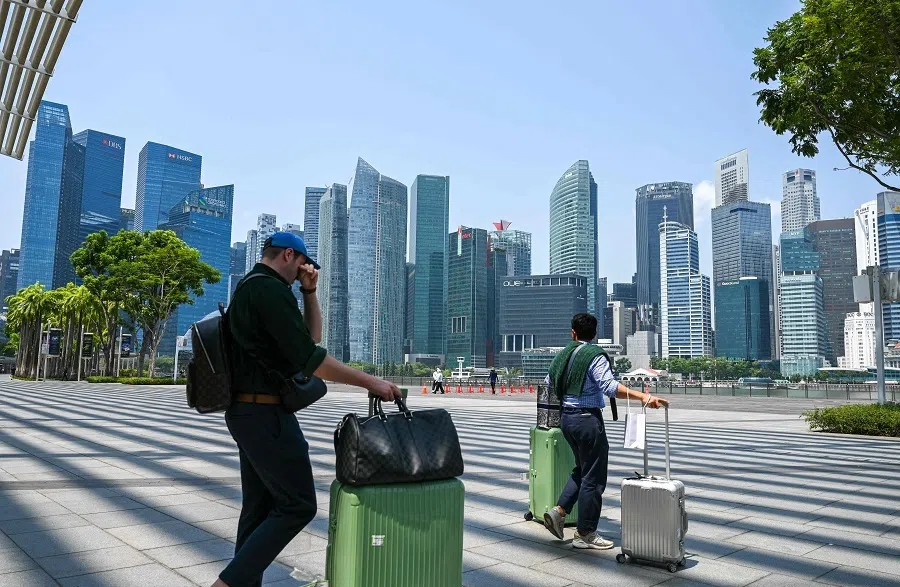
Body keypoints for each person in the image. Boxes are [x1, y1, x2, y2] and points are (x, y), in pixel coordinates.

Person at [212, 232, 402, 587]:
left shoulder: (256, 287)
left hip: (250, 413)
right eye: (303, 264)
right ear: (288, 255)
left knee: (258, 508)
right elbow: (313, 359)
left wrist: (309, 292)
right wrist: (370, 382)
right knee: (298, 505)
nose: (306, 270)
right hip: (264, 415)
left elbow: (309, 338)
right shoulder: (267, 290)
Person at [542, 313, 668, 550]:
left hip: (567, 420)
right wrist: (644, 396)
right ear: (596, 333)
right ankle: (585, 533)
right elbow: (610, 388)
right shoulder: (594, 356)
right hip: (588, 420)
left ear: (573, 333)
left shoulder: (562, 354)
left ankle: (559, 512)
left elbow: (549, 383)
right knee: (594, 477)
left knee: (582, 469)